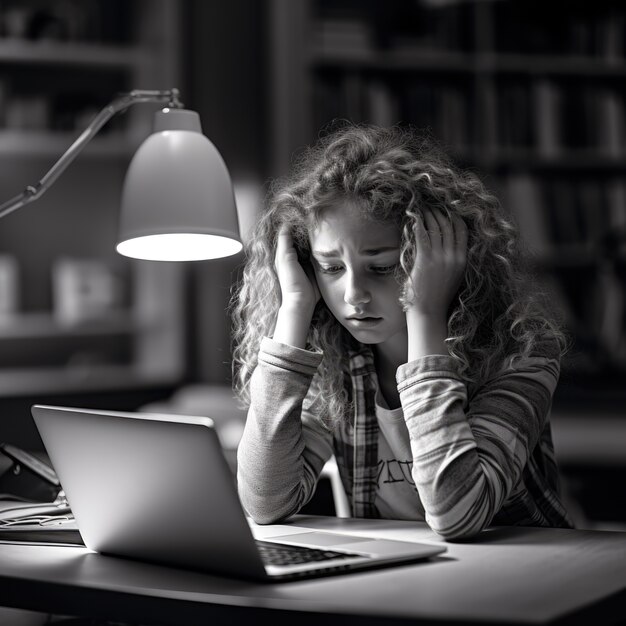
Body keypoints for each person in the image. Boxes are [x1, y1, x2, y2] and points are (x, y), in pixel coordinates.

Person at [231, 123, 574, 540]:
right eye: (331, 268)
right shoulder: (335, 353)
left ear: (438, 259)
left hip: (521, 577)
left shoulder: (521, 350)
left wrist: (425, 312)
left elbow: (458, 515)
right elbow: (265, 502)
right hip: (390, 579)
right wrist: (295, 308)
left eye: (382, 266)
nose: (354, 294)